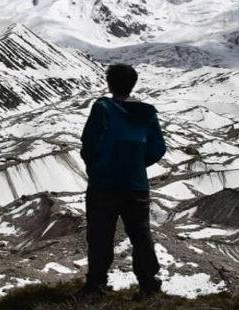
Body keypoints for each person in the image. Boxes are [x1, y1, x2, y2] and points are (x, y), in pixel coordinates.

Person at [74, 63, 167, 301]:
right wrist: (136, 163)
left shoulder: (103, 107)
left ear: (110, 83)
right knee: (141, 233)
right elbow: (157, 148)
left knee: (100, 234)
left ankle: (96, 285)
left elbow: (89, 143)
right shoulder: (147, 112)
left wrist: (97, 165)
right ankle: (148, 284)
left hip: (104, 183)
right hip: (136, 184)